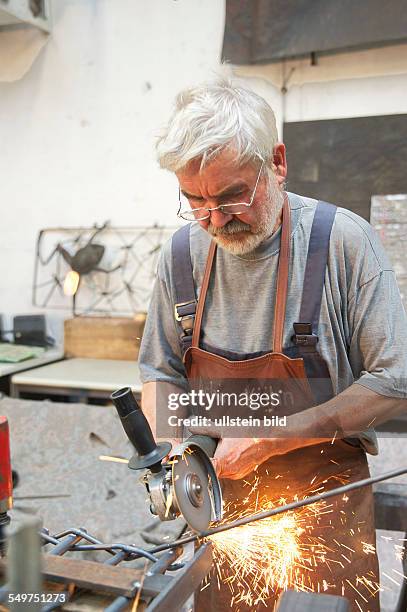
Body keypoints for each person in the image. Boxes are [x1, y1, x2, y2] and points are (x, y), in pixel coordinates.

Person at [138, 79, 407, 611]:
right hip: (218, 506)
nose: (215, 219)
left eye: (233, 195)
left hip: (322, 504)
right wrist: (172, 450)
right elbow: (161, 372)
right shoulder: (181, 257)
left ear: (277, 163)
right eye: (195, 202)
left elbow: (395, 380)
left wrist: (274, 438)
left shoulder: (342, 244)